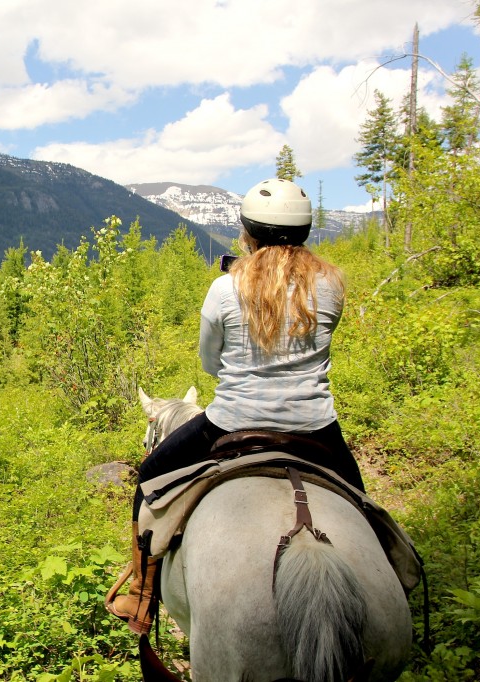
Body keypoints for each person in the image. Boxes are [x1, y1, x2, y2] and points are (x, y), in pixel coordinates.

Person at [106, 178, 366, 636]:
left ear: (247, 232)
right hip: (315, 426)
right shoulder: (332, 285)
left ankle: (143, 598)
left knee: (148, 479)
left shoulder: (225, 289)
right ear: (305, 232)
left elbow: (210, 362)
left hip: (230, 422)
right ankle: (398, 575)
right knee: (364, 507)